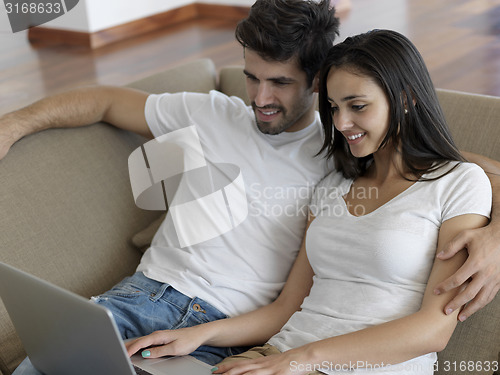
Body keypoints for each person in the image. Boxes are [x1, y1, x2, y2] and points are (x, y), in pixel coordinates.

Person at [0, 0, 497, 371]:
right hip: (153, 301)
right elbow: (106, 100)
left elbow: (445, 167)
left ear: (316, 80)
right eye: (250, 78)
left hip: (245, 335)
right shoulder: (232, 121)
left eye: (279, 82)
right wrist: (13, 124)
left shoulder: (341, 152)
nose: (259, 98)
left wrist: (496, 237)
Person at [124, 29, 493, 375]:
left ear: (407, 99)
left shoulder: (458, 183)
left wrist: (302, 359)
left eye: (358, 105)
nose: (342, 122)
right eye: (333, 107)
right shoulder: (333, 185)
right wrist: (199, 335)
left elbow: (433, 331)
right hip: (279, 356)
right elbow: (286, 307)